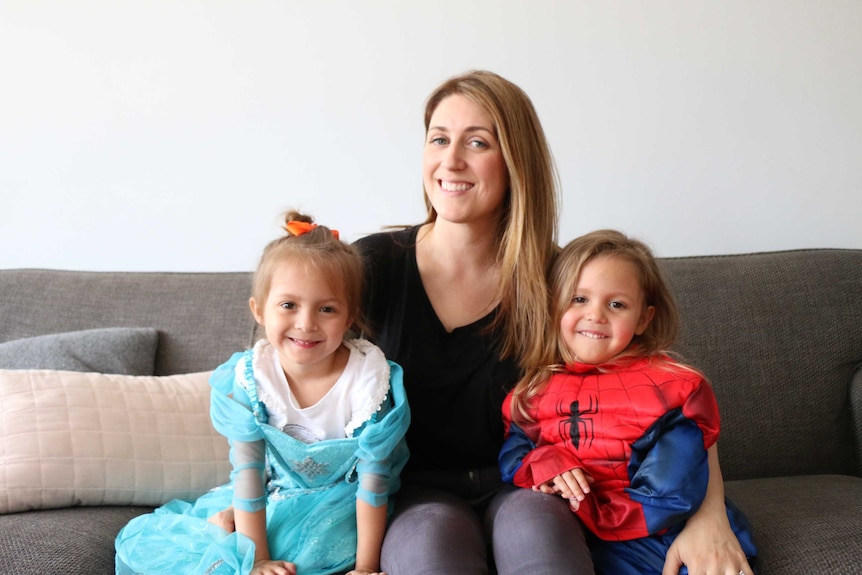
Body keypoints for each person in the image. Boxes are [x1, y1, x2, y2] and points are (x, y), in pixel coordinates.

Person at [214, 70, 755, 575]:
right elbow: (289, 378)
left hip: (531, 482)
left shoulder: (558, 278)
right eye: (438, 139)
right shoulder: (372, 266)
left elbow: (660, 391)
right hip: (408, 491)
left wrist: (709, 514)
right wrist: (248, 499)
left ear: (515, 161)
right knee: (429, 547)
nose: (451, 162)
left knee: (537, 536)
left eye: (477, 142)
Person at [114, 212, 410, 575]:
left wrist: (366, 568)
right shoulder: (253, 377)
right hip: (272, 493)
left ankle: (243, 531)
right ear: (259, 311)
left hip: (345, 503)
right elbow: (249, 472)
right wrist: (257, 562)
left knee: (308, 556)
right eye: (289, 305)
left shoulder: (368, 377)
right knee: (217, 553)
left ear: (350, 317)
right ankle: (231, 527)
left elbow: (373, 480)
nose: (306, 323)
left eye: (327, 309)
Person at [499, 229, 757, 574]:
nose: (596, 315)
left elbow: (671, 490)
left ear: (644, 319)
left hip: (662, 530)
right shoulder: (530, 392)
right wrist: (546, 460)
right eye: (579, 299)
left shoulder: (673, 389)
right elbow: (514, 455)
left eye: (616, 304)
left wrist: (591, 511)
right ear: (553, 303)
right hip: (579, 530)